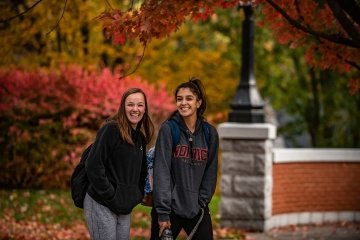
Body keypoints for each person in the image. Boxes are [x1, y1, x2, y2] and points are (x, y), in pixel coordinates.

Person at [151, 78, 219, 239]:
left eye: (189, 98)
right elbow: (162, 171)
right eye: (179, 99)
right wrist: (163, 213)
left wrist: (202, 202)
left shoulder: (209, 133)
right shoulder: (169, 129)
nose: (183, 103)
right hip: (169, 210)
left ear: (199, 102)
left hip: (197, 209)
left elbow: (211, 170)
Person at [84, 88, 154, 240]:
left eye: (140, 105)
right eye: (130, 104)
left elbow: (141, 172)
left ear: (145, 109)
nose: (135, 109)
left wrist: (137, 194)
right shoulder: (111, 129)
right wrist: (111, 194)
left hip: (124, 206)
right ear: (123, 107)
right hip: (102, 202)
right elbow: (93, 166)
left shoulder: (140, 138)